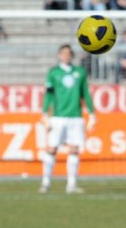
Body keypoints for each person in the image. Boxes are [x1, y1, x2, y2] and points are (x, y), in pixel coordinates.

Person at [39, 44, 96, 194]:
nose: (66, 56)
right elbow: (48, 94)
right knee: (52, 148)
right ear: (59, 55)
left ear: (72, 56)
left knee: (74, 149)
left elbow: (85, 93)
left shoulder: (80, 72)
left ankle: (71, 184)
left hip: (75, 117)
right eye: (63, 53)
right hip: (58, 117)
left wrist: (92, 113)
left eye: (69, 53)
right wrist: (44, 113)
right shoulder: (53, 73)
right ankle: (46, 182)